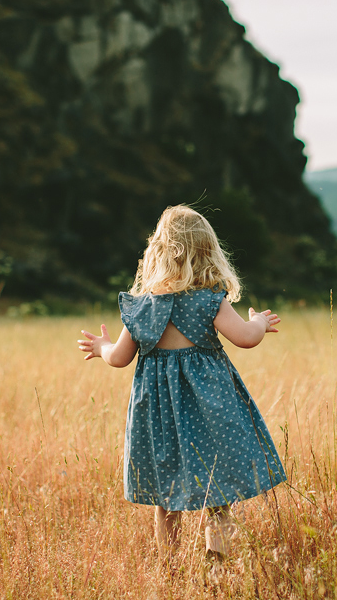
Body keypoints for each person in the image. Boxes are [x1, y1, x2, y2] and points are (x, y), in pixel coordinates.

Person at [77, 205, 287, 562]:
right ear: (209, 253)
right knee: (218, 492)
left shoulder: (142, 307)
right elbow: (245, 338)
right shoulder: (209, 300)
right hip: (211, 409)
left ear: (156, 252)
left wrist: (101, 347)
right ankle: (216, 562)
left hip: (160, 415)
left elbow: (120, 357)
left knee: (165, 495)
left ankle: (171, 566)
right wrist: (259, 323)